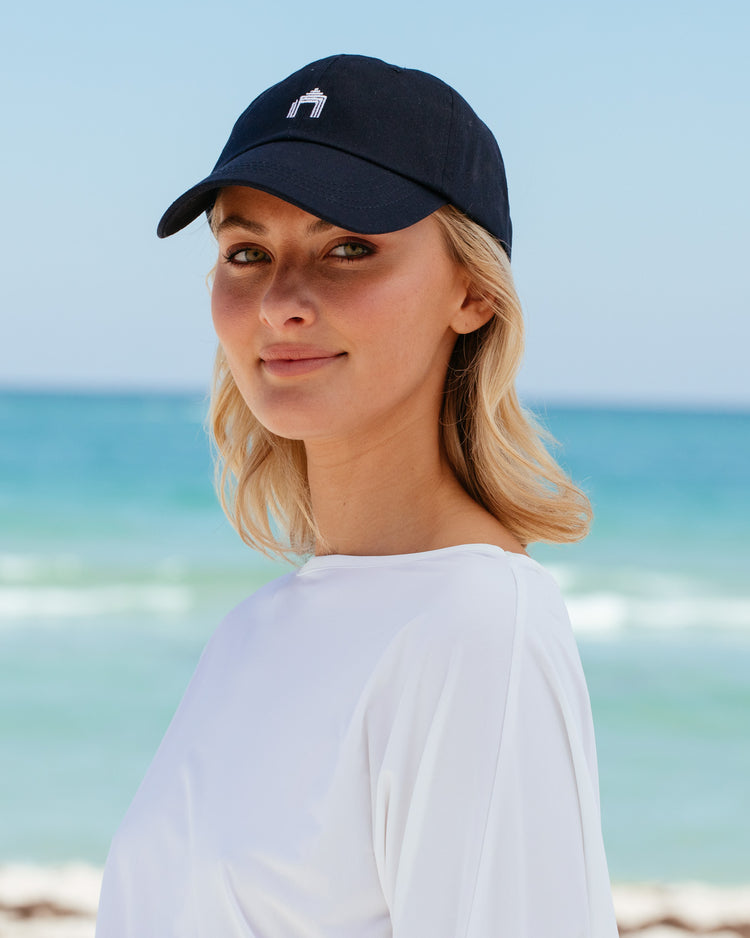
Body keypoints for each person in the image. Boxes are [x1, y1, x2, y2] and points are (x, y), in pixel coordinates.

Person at [96, 54, 618, 936]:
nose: (281, 303)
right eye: (246, 252)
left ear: (474, 292)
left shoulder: (477, 628)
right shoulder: (257, 628)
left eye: (349, 249)